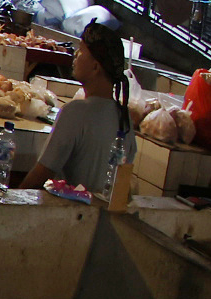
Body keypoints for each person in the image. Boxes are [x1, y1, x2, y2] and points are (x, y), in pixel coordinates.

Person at [24, 23, 137, 197]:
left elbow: (41, 174)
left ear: (95, 67)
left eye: (81, 51)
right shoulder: (125, 118)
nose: (76, 55)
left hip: (72, 216)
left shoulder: (75, 112)